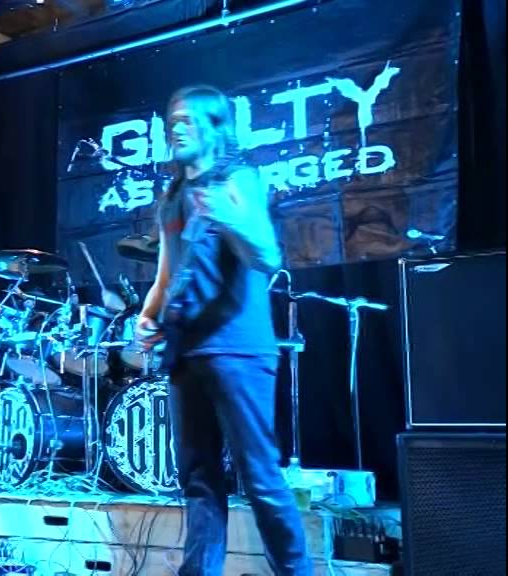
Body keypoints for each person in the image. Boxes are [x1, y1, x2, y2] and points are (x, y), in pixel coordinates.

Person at [135, 86, 310, 575]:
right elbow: (165, 277)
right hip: (185, 353)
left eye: (188, 119)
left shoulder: (239, 179)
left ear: (216, 127)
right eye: (172, 120)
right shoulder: (172, 198)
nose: (176, 127)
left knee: (260, 478)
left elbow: (267, 255)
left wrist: (231, 218)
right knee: (198, 481)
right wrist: (147, 316)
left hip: (238, 349)